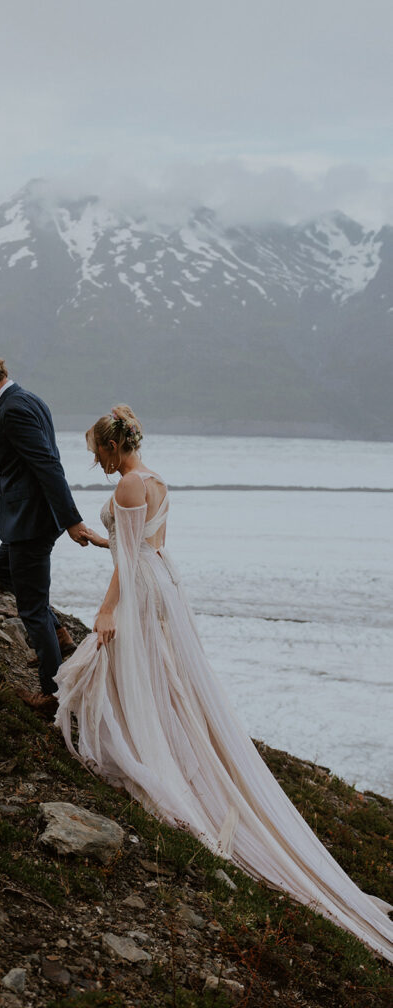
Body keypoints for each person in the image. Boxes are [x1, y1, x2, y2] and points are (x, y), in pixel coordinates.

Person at [54, 405, 393, 963]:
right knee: (162, 676)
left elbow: (131, 559)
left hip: (141, 590)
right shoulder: (154, 478)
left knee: (129, 666)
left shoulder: (132, 484)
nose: (96, 460)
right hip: (163, 583)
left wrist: (108, 606)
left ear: (116, 447)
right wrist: (107, 546)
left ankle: (147, 750)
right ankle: (157, 732)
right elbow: (146, 549)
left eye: (98, 451)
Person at [0, 346, 89, 716]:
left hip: (31, 520)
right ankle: (58, 633)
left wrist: (71, 520)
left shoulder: (12, 410)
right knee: (1, 570)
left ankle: (52, 695)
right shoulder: (28, 399)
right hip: (29, 518)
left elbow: (47, 465)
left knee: (31, 610)